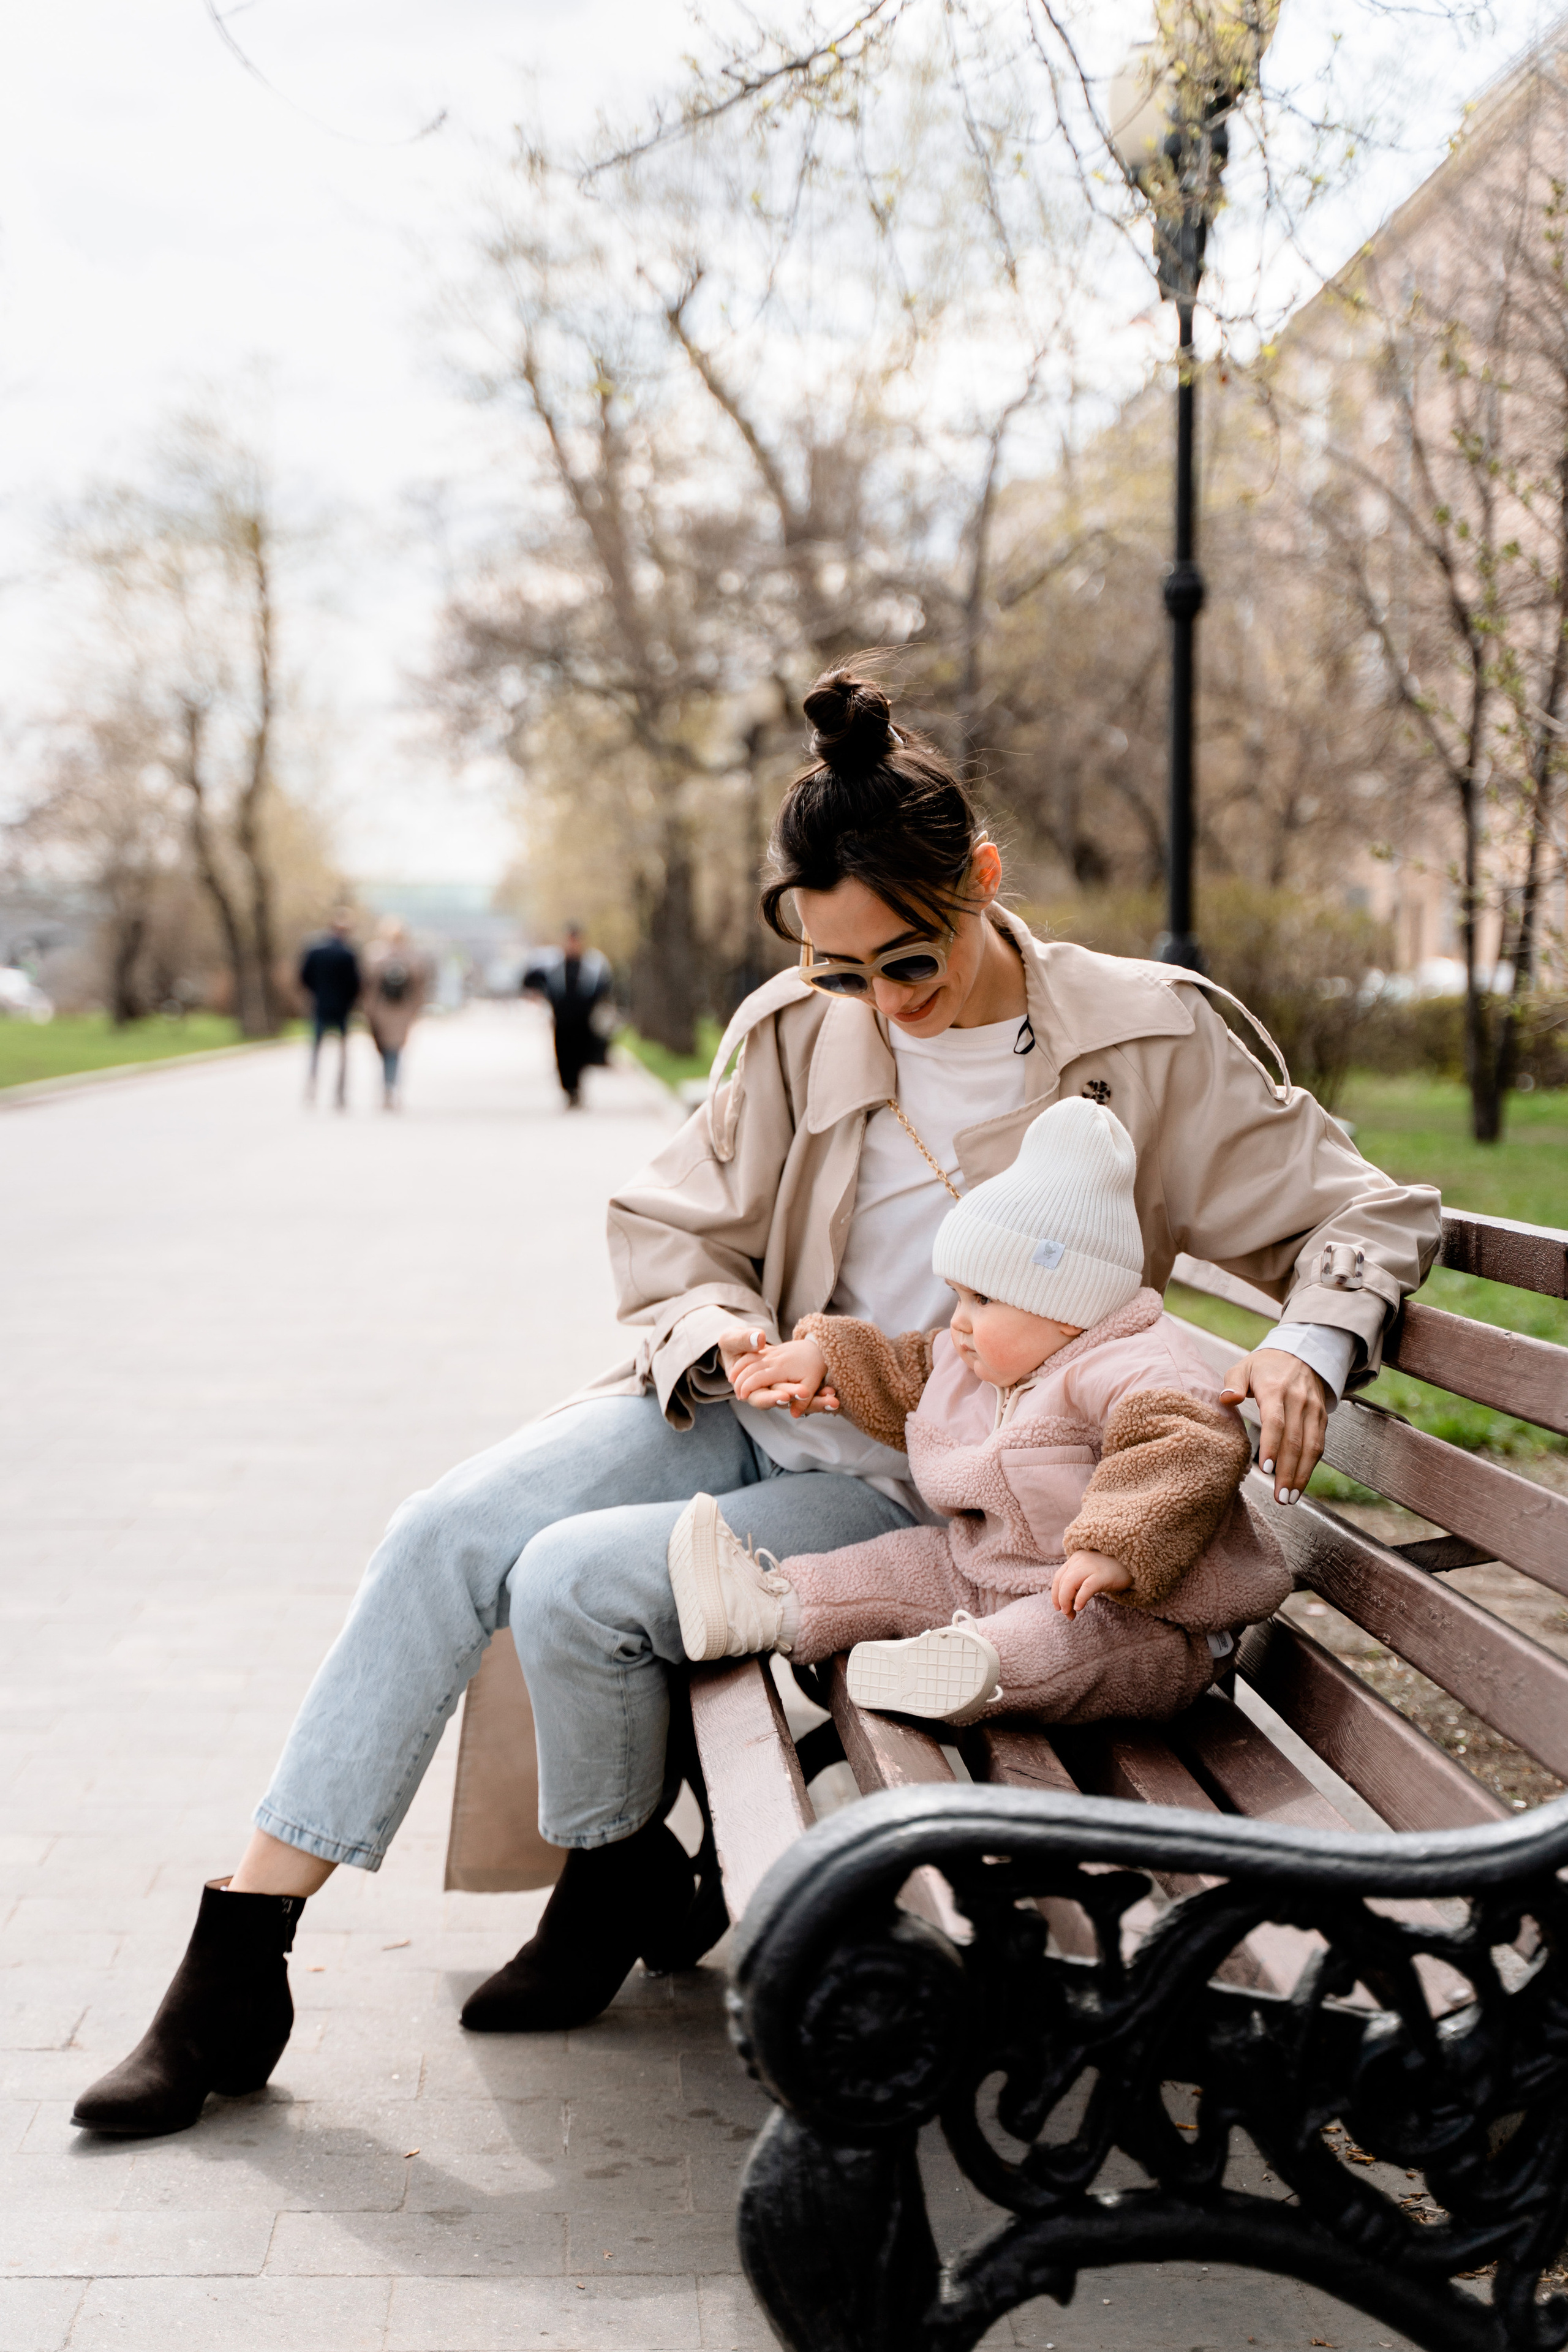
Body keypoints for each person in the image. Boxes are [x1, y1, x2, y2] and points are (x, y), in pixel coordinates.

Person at [71, 666, 1442, 2142]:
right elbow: (673, 1234)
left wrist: (1305, 1340)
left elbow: (1360, 1213)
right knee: (443, 1526)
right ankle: (239, 1961)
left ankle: (614, 1879)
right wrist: (725, 1337)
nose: (868, 1000)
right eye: (833, 967)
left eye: (901, 965)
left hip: (930, 1480)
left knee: (573, 1574)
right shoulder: (798, 1027)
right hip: (740, 1402)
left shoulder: (1147, 1036)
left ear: (979, 881)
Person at [665, 1095, 1291, 1728]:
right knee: (899, 1562)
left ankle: (972, 1668)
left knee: (1060, 1636)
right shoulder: (987, 1358)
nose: (959, 1322)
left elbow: (1184, 1450)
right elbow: (905, 1368)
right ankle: (769, 1604)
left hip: (1140, 1614)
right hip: (987, 1575)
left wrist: (1115, 1548)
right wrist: (823, 1358)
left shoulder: (1141, 1368)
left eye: (984, 1298)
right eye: (957, 1295)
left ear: (1065, 1302)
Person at [522, 922, 614, 1108]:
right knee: (563, 1057)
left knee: (581, 1056)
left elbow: (604, 987)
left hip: (583, 1020)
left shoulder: (592, 963)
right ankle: (569, 1091)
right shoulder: (552, 963)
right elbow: (530, 980)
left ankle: (576, 1089)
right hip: (562, 1020)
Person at [361, 917, 429, 1111]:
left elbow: (368, 986)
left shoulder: (376, 955)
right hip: (399, 1013)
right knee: (394, 1052)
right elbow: (419, 987)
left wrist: (369, 1009)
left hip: (384, 1012)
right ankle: (390, 1087)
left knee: (388, 1052)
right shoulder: (413, 958)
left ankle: (388, 1087)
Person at [299, 911, 361, 1110]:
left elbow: (304, 977)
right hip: (342, 1008)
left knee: (316, 1050)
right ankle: (340, 1094)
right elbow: (356, 984)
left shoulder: (316, 951)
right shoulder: (348, 953)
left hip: (320, 1005)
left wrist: (316, 994)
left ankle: (312, 1088)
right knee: (342, 1053)